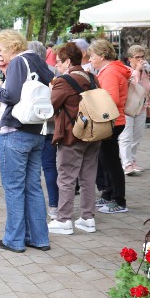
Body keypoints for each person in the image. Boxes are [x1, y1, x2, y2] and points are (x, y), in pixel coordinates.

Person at [0, 29, 54, 253]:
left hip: (14, 130)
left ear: (10, 47)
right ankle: (39, 237)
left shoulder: (19, 62)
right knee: (33, 186)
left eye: (0, 49)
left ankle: (14, 239)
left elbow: (11, 96)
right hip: (37, 130)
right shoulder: (38, 61)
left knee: (14, 187)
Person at [46, 42, 100, 235]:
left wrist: (51, 89)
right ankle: (87, 218)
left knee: (66, 177)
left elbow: (49, 107)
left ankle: (63, 219)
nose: (57, 66)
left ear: (68, 61)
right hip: (94, 134)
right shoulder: (92, 78)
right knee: (88, 177)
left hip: (72, 135)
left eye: (59, 62)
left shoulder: (64, 81)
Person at [88, 39, 131, 214]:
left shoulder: (111, 72)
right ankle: (108, 194)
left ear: (102, 56)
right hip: (112, 120)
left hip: (112, 121)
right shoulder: (110, 70)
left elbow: (111, 99)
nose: (90, 59)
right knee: (105, 159)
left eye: (92, 56)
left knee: (111, 161)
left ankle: (119, 200)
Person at [27, 40, 58, 220]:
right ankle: (53, 205)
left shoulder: (26, 71)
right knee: (49, 166)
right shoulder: (53, 71)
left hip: (32, 125)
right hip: (49, 124)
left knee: (34, 168)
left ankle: (38, 206)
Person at [119, 45, 150, 175]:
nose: (140, 59)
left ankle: (132, 160)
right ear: (130, 58)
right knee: (126, 137)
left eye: (142, 57)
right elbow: (133, 84)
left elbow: (146, 90)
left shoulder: (145, 71)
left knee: (137, 137)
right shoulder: (125, 70)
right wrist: (137, 70)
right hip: (127, 107)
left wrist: (148, 105)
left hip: (141, 106)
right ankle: (126, 164)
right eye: (137, 57)